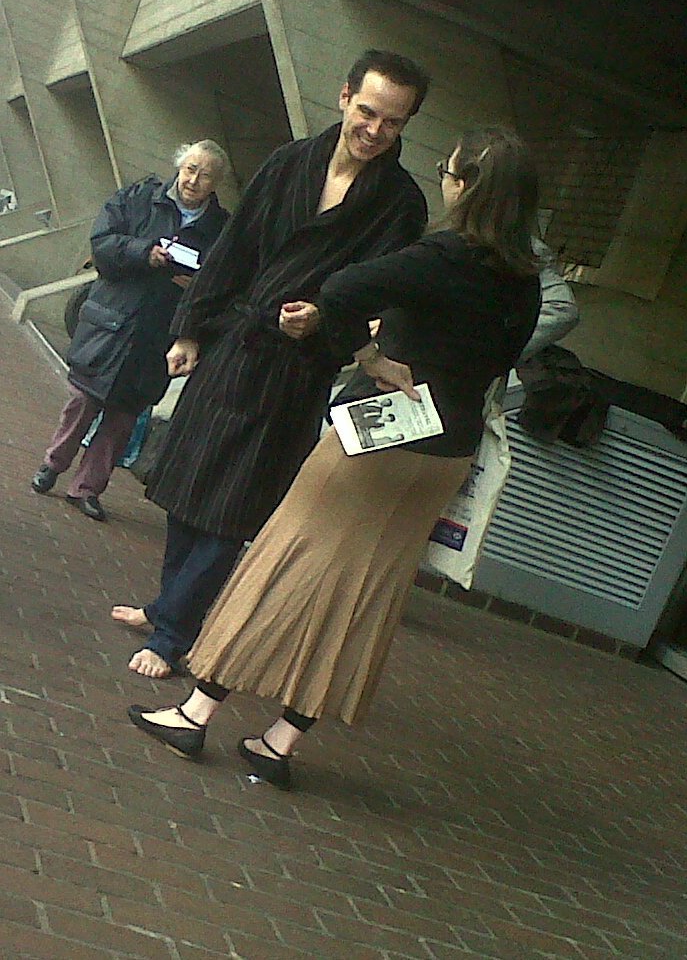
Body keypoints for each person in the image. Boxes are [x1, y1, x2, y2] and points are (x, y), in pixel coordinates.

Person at [126, 125, 542, 791]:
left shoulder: (442, 254)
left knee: (281, 565)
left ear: (466, 187)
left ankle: (195, 712)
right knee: (364, 597)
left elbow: (343, 289)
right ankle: (279, 742)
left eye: (449, 172)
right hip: (448, 451)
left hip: (381, 435)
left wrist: (372, 354)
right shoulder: (525, 282)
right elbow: (496, 359)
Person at [112, 50, 431, 679]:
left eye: (392, 122)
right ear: (344, 97)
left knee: (232, 507)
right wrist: (190, 328)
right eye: (367, 112)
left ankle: (175, 633)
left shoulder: (401, 204)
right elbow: (234, 248)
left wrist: (323, 318)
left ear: (405, 125)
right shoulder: (290, 162)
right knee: (185, 486)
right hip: (235, 342)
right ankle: (167, 606)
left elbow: (374, 290)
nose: (374, 131)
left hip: (296, 370)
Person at [30, 141, 230, 522]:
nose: (193, 180)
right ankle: (52, 465)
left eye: (205, 175)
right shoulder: (139, 198)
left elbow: (224, 283)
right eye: (190, 169)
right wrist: (144, 253)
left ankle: (87, 489)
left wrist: (197, 286)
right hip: (111, 324)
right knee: (81, 403)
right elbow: (101, 244)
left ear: (216, 183)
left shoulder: (220, 229)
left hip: (157, 339)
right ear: (179, 166)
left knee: (122, 420)